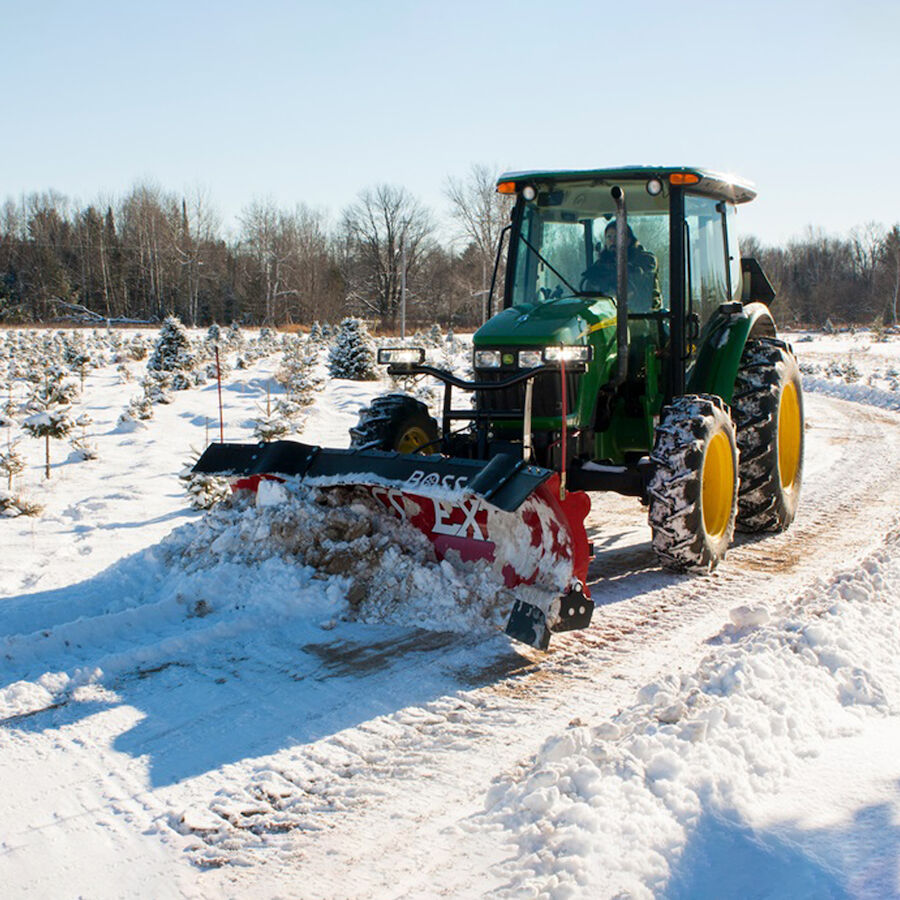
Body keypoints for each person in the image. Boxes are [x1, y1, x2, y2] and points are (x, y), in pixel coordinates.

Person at [581, 221, 661, 310]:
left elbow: (637, 277)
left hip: (642, 315)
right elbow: (590, 292)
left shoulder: (646, 259)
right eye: (609, 237)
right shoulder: (601, 264)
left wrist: (611, 272)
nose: (612, 241)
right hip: (610, 315)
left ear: (628, 240)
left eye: (616, 237)